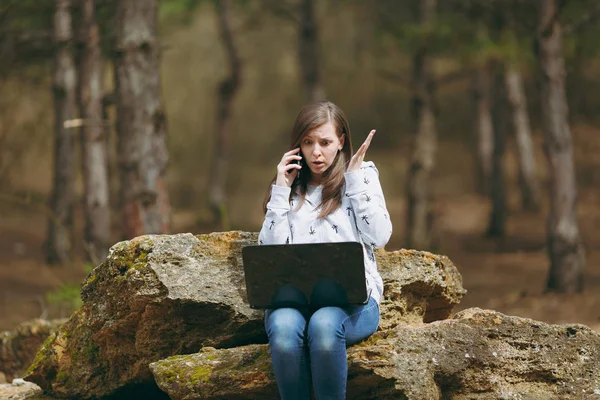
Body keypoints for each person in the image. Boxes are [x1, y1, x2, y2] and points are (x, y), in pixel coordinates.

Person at [258, 101, 392, 400]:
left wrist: (354, 180)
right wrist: (280, 189)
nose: (316, 152)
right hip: (294, 301)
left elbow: (380, 237)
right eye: (308, 142)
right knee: (281, 327)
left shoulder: (363, 175)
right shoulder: (288, 186)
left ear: (341, 141)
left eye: (325, 142)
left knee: (324, 324)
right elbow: (270, 254)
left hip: (353, 303)